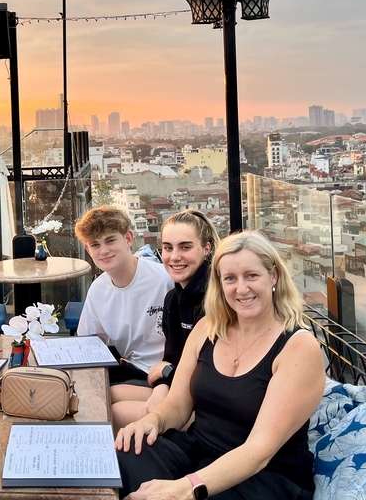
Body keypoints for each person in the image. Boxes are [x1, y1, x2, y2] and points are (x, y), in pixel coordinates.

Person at [115, 231, 325, 500]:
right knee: (130, 449)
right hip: (200, 453)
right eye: (230, 278)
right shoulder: (206, 329)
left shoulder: (298, 347)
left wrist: (184, 488)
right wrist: (151, 421)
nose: (241, 288)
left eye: (252, 275)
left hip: (264, 477)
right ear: (220, 284)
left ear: (273, 276)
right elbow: (178, 405)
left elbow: (259, 451)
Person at [110, 209, 218, 430]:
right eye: (168, 248)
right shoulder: (173, 298)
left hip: (207, 406)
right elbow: (169, 360)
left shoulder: (214, 301)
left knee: (114, 412)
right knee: (109, 393)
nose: (174, 256)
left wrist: (166, 376)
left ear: (206, 249)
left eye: (185, 247)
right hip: (180, 387)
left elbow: (209, 379)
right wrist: (162, 385)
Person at [74, 206, 173, 386]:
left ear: (128, 238)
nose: (103, 250)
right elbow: (88, 343)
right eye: (95, 244)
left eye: (110, 241)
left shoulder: (164, 280)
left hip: (169, 374)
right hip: (132, 371)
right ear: (88, 249)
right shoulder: (98, 290)